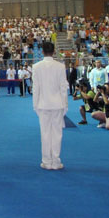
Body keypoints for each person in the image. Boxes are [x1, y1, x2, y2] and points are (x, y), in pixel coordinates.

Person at [32, 42, 68, 170]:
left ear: (42, 52)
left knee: (45, 133)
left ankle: (46, 161)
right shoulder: (60, 66)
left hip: (43, 104)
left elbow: (35, 88)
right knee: (57, 134)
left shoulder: (36, 67)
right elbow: (63, 88)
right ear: (54, 52)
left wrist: (35, 105)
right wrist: (65, 105)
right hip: (57, 104)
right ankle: (56, 161)